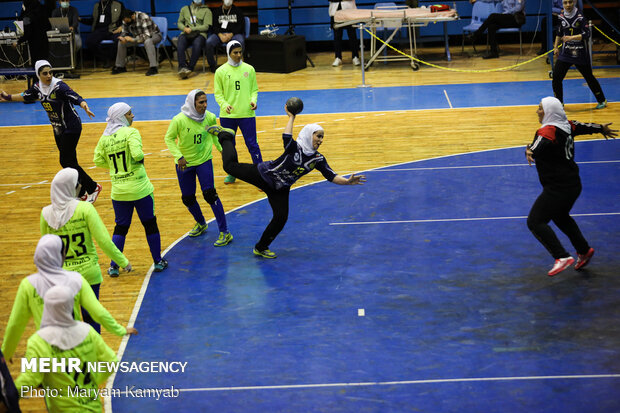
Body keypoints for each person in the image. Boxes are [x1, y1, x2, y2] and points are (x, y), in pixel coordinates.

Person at [208, 104, 366, 259]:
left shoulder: (318, 159)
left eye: (322, 137)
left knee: (281, 218)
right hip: (265, 175)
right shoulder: (294, 147)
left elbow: (331, 175)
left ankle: (261, 247)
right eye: (318, 135)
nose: (321, 140)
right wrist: (291, 117)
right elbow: (286, 137)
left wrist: (346, 182)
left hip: (280, 188)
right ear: (309, 134)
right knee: (229, 167)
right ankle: (225, 136)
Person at [2, 234, 136, 362]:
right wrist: (120, 330)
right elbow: (97, 312)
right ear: (61, 256)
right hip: (73, 349)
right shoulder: (76, 280)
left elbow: (15, 324)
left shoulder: (28, 285)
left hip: (44, 352)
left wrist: (6, 353)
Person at [525, 97, 617, 276]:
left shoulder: (548, 129)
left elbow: (541, 142)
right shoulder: (566, 125)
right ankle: (583, 250)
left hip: (557, 188)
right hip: (572, 185)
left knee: (535, 222)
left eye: (540, 108)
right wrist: (601, 128)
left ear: (549, 111)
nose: (537, 111)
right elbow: (585, 126)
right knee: (560, 216)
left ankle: (561, 256)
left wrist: (530, 151)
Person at [41, 168, 132, 332]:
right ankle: (94, 355)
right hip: (88, 273)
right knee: (92, 318)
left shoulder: (45, 214)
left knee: (69, 324)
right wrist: (123, 262)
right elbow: (104, 241)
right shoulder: (85, 209)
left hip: (63, 277)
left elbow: (46, 251)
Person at [0, 60, 102, 203]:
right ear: (38, 74)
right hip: (57, 128)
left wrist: (84, 105)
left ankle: (93, 187)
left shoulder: (59, 86)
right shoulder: (37, 88)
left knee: (65, 160)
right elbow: (25, 95)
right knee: (70, 161)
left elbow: (75, 96)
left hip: (71, 127)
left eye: (50, 72)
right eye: (45, 73)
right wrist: (8, 97)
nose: (48, 76)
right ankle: (82, 192)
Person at [14, 286, 121, 412]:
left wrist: (9, 397)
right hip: (92, 407)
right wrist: (92, 381)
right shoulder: (88, 332)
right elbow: (111, 361)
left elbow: (29, 379)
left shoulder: (39, 341)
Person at [94, 102, 168, 274]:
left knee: (121, 227)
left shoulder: (104, 138)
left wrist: (114, 167)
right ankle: (157, 261)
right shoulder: (131, 132)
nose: (132, 116)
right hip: (140, 188)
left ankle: (113, 266)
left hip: (119, 191)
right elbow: (138, 154)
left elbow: (97, 160)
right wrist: (137, 161)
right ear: (121, 117)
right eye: (129, 114)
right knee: (150, 224)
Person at [164, 90, 233, 246]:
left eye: (206, 101)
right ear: (192, 103)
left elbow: (214, 135)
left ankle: (225, 232)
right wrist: (178, 156)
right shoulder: (179, 120)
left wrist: (223, 151)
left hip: (204, 161)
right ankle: (201, 223)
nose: (205, 105)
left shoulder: (209, 117)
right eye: (201, 102)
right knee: (187, 198)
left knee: (210, 194)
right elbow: (168, 138)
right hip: (184, 164)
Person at [214, 40, 260, 185]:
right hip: (227, 116)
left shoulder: (249, 69)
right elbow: (218, 93)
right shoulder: (220, 71)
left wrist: (253, 101)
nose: (238, 55)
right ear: (228, 53)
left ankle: (260, 174)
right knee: (229, 147)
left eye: (240, 52)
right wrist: (224, 104)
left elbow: (254, 89)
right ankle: (232, 173)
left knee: (252, 145)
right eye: (235, 52)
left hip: (247, 114)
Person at [552, 0, 607, 109]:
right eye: (565, 3)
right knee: (556, 77)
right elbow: (559, 32)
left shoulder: (580, 17)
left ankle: (602, 100)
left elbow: (587, 33)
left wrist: (571, 38)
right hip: (566, 53)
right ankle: (559, 103)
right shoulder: (561, 16)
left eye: (570, 2)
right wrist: (555, 47)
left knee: (589, 77)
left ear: (575, 2)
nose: (568, 5)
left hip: (580, 53)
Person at [112, 9, 161, 76]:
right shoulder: (125, 20)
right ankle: (120, 67)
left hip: (154, 35)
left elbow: (147, 35)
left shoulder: (143, 17)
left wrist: (133, 40)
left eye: (126, 20)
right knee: (121, 43)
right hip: (138, 37)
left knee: (148, 41)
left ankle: (153, 67)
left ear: (132, 16)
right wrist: (123, 37)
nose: (125, 22)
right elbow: (124, 31)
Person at [206, 0, 246, 73]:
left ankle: (237, 63)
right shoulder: (216, 11)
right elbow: (214, 26)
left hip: (234, 34)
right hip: (219, 35)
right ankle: (212, 65)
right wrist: (220, 35)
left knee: (241, 41)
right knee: (209, 42)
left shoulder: (238, 11)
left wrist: (231, 34)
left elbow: (241, 26)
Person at [176, 0, 212, 79]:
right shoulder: (184, 9)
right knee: (180, 42)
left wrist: (192, 29)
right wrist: (184, 28)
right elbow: (179, 23)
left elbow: (206, 27)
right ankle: (182, 67)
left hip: (200, 34)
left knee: (197, 44)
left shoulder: (207, 11)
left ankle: (190, 68)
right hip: (186, 33)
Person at [84, 0, 124, 68]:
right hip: (100, 30)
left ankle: (114, 61)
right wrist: (80, 20)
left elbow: (125, 18)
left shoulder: (118, 4)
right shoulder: (97, 5)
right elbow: (93, 20)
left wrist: (122, 27)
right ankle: (105, 58)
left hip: (113, 30)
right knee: (89, 41)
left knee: (119, 40)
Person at [328, 0, 360, 67]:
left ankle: (355, 57)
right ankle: (338, 57)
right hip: (335, 11)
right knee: (337, 36)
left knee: (352, 35)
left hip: (350, 11)